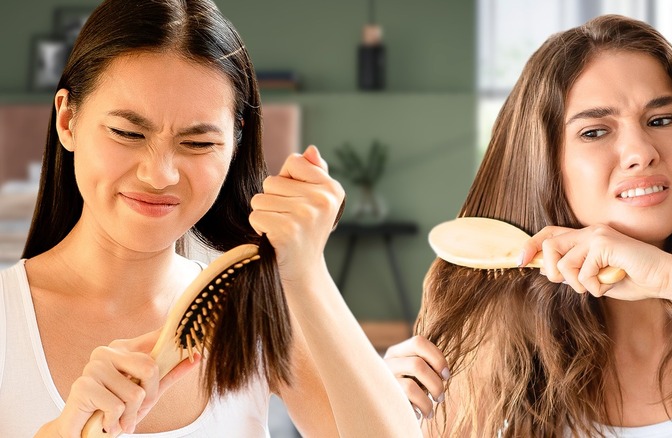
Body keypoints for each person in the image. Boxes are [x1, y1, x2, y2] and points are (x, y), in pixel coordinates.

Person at [0, 0, 420, 437]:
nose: (158, 174)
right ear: (68, 120)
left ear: (235, 144)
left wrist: (307, 272)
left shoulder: (254, 308)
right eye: (127, 133)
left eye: (198, 143)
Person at [384, 14, 672, 437]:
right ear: (543, 165)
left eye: (661, 120)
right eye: (594, 131)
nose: (640, 151)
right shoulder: (489, 346)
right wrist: (387, 416)